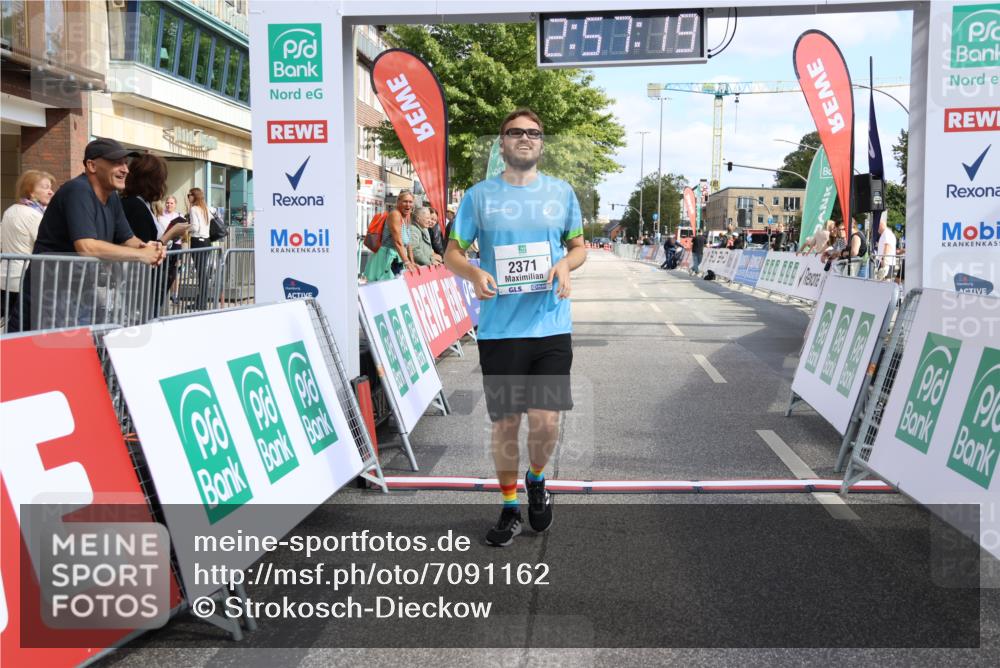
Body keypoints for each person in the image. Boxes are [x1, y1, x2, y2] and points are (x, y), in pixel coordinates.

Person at [444, 108, 586, 547]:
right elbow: (452, 252)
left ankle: (536, 478)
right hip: (500, 330)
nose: (525, 138)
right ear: (502, 143)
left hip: (549, 325)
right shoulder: (479, 196)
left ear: (541, 143)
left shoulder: (561, 193)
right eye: (515, 132)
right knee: (506, 424)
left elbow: (579, 247)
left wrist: (566, 264)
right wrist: (473, 273)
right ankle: (509, 507)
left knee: (545, 421)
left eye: (534, 133)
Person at [27, 138, 166, 330]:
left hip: (81, 292)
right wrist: (141, 255)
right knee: (40, 348)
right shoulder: (78, 190)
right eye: (116, 162)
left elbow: (128, 239)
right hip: (51, 293)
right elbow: (86, 247)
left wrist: (150, 247)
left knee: (86, 345)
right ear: (92, 166)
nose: (125, 169)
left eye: (125, 163)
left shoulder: (112, 197)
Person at [121, 154, 190, 316]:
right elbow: (145, 247)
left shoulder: (142, 203)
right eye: (161, 179)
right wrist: (171, 233)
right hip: (139, 285)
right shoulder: (135, 206)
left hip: (145, 283)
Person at [1, 169, 55, 330]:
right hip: (24, 278)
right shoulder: (33, 215)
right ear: (31, 191)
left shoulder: (9, 211)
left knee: (7, 323)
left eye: (50, 187)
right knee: (23, 328)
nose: (51, 191)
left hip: (5, 276)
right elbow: (45, 244)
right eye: (45, 187)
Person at [363, 191, 416, 281]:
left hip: (398, 258)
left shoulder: (407, 215)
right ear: (398, 202)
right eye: (405, 201)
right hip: (385, 259)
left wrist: (412, 261)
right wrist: (407, 262)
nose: (408, 205)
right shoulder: (395, 215)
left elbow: (408, 242)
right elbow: (398, 242)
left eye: (410, 202)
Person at [186, 187, 214, 309]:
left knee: (201, 272)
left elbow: (195, 227)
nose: (188, 197)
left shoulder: (194, 209)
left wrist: (185, 227)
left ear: (194, 196)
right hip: (207, 241)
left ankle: (201, 302)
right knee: (203, 272)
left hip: (197, 241)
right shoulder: (207, 208)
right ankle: (202, 300)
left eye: (189, 195)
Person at [875, 213, 897, 281]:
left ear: (880, 225)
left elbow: (887, 246)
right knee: (884, 282)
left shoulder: (886, 233)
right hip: (887, 262)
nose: (877, 229)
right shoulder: (887, 233)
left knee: (884, 282)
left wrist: (884, 260)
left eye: (877, 226)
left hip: (886, 263)